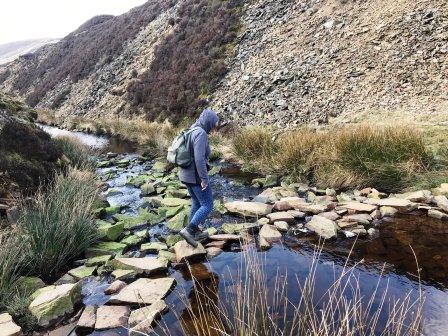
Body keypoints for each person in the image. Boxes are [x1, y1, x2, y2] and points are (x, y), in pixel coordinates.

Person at [179, 108, 219, 247]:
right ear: (208, 122)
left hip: (185, 174)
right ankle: (189, 230)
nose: (214, 127)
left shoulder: (191, 129)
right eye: (213, 124)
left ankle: (194, 231)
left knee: (196, 202)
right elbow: (199, 159)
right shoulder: (201, 133)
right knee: (207, 205)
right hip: (195, 176)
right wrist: (204, 179)